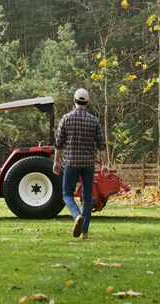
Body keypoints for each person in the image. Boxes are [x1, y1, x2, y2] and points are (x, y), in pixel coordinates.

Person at [53, 88, 108, 239]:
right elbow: (101, 145)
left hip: (71, 162)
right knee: (88, 197)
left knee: (66, 194)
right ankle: (85, 232)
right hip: (89, 164)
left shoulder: (66, 118)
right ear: (87, 102)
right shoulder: (94, 120)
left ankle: (76, 215)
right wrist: (105, 164)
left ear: (74, 101)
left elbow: (59, 143)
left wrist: (56, 161)